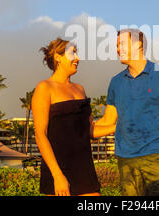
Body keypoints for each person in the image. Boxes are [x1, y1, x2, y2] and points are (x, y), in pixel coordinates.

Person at [95, 29, 159, 196]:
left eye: (121, 44)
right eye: (116, 45)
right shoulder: (115, 82)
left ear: (138, 45)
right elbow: (108, 120)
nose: (117, 49)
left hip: (158, 156)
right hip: (126, 161)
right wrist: (76, 128)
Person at [32, 38, 116, 196]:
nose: (78, 58)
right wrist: (57, 175)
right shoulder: (44, 88)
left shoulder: (80, 89)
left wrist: (120, 127)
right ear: (58, 57)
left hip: (84, 168)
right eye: (73, 53)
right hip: (57, 168)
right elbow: (40, 135)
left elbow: (89, 131)